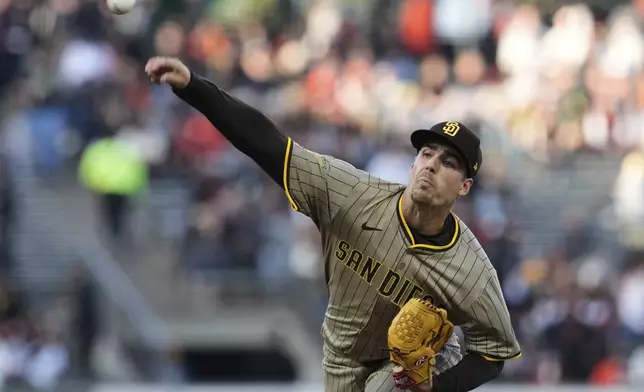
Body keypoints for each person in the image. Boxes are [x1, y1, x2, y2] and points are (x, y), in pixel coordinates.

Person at [144, 57, 521, 392]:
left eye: (450, 163)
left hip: (413, 372)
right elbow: (269, 144)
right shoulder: (353, 195)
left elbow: (494, 350)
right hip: (340, 362)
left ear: (465, 187)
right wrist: (194, 87)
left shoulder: (471, 270)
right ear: (412, 163)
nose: (433, 165)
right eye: (426, 153)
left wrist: (440, 387)